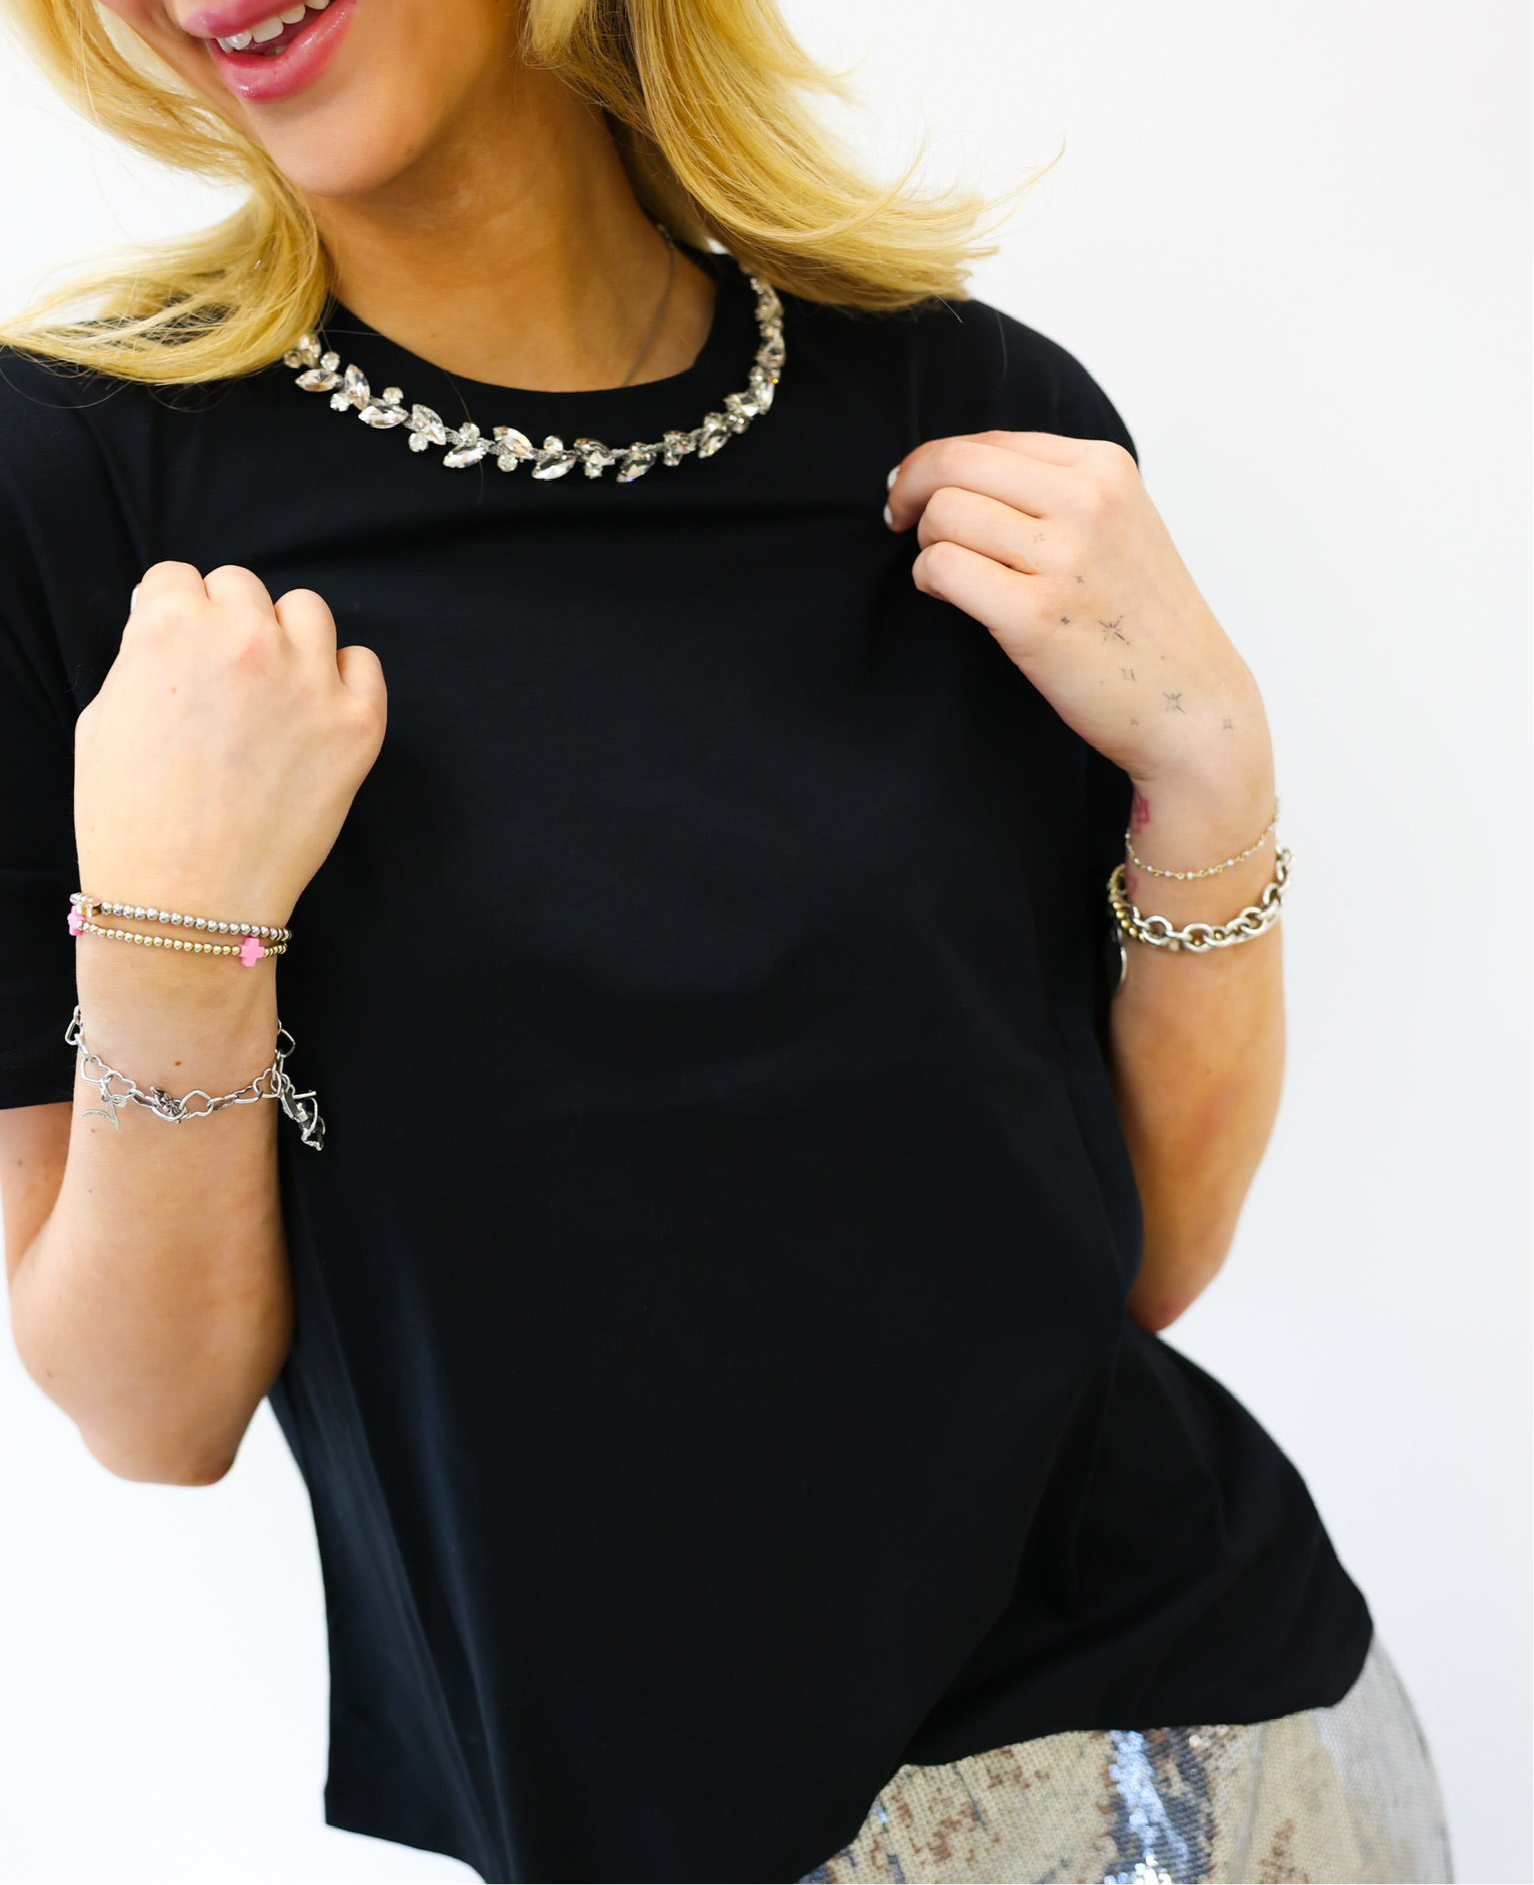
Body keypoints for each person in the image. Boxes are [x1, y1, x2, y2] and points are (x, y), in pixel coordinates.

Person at [0, 2, 1454, 1882]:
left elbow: (1143, 1255)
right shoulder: (74, 496)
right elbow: (151, 1410)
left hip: (1222, 1749)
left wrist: (1211, 774)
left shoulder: (968, 416)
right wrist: (178, 938)